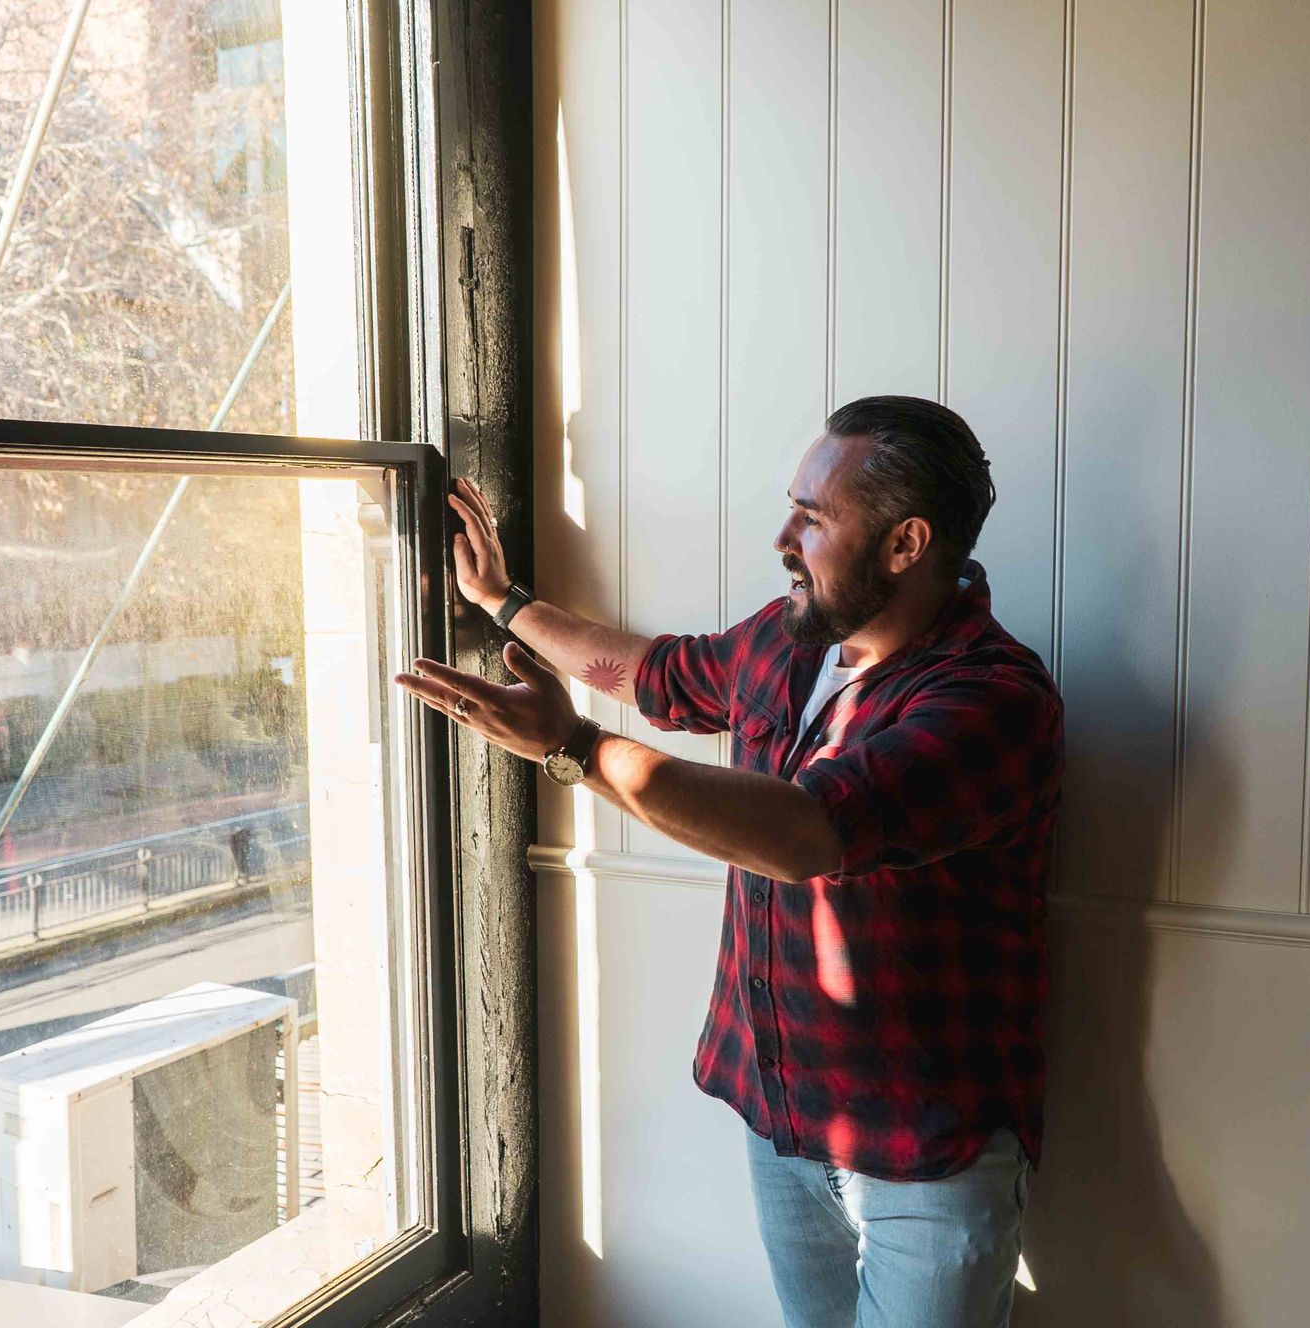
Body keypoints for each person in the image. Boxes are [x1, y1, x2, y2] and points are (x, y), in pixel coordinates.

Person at [394, 395, 1064, 1328]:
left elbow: (807, 833)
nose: (784, 536)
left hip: (923, 1156)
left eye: (816, 518)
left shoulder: (994, 700)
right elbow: (652, 672)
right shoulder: (796, 643)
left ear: (906, 544)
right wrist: (503, 602)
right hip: (783, 1119)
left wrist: (574, 752)